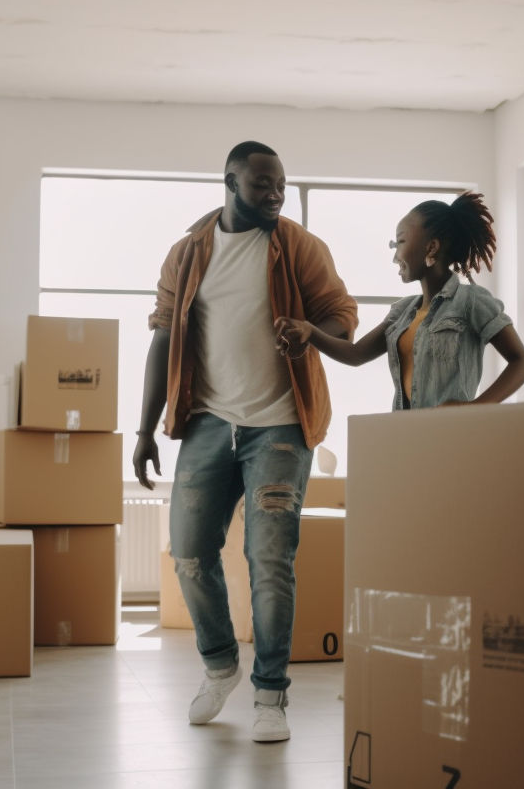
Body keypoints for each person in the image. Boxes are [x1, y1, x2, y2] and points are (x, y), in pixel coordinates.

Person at [132, 141, 357, 743]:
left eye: (281, 184)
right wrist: (144, 427)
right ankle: (219, 665)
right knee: (189, 552)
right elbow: (161, 343)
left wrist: (311, 333)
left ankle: (270, 696)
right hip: (207, 422)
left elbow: (341, 314)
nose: (276, 194)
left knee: (269, 561)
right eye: (263, 184)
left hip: (281, 426)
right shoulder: (187, 255)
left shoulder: (299, 247)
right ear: (230, 181)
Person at [274, 192, 524, 409]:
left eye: (401, 241)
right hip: (406, 436)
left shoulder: (471, 301)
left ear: (431, 248)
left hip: (454, 438)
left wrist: (477, 410)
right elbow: (356, 354)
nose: (396, 256)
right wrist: (310, 331)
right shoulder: (403, 312)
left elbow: (521, 362)